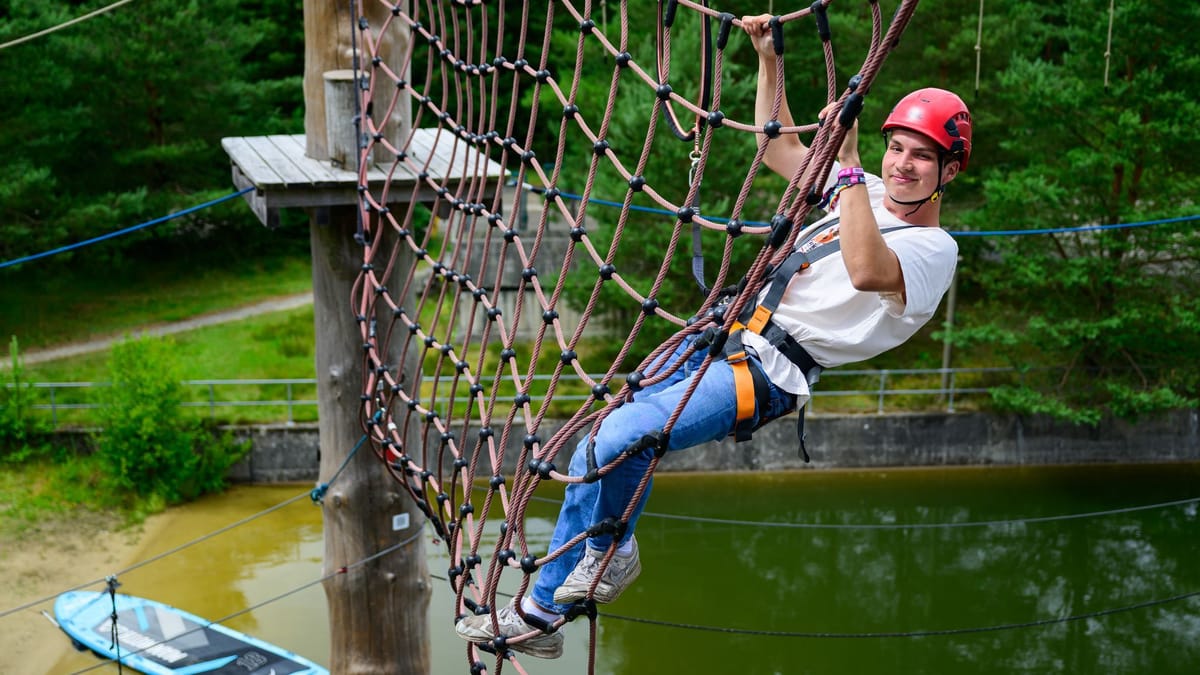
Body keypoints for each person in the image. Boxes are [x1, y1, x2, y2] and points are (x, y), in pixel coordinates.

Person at [455, 13, 972, 659]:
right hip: (725, 334)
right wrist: (768, 61)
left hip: (769, 371)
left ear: (949, 170)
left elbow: (869, 271)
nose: (902, 164)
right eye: (897, 147)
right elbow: (777, 146)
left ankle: (607, 554)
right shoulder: (859, 188)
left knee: (624, 437)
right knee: (595, 444)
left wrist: (847, 165)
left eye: (921, 155)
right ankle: (542, 609)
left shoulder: (934, 247)